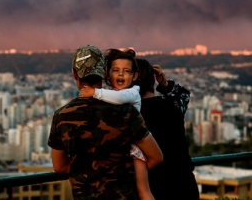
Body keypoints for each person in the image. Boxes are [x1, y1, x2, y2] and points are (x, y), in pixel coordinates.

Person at [47, 45, 163, 200]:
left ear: (74, 74)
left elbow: (60, 166)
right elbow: (156, 156)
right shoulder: (126, 112)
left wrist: (90, 174)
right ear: (104, 73)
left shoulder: (61, 116)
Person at [79, 48, 155, 200]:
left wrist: (94, 93)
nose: (120, 74)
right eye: (116, 70)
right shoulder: (111, 94)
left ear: (135, 76)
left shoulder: (133, 92)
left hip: (136, 148)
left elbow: (119, 98)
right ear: (107, 74)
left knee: (144, 191)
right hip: (119, 149)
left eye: (126, 71)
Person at [136, 58, 199, 200]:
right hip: (184, 186)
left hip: (152, 188)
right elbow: (184, 94)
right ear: (153, 78)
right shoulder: (173, 105)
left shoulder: (129, 114)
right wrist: (164, 83)